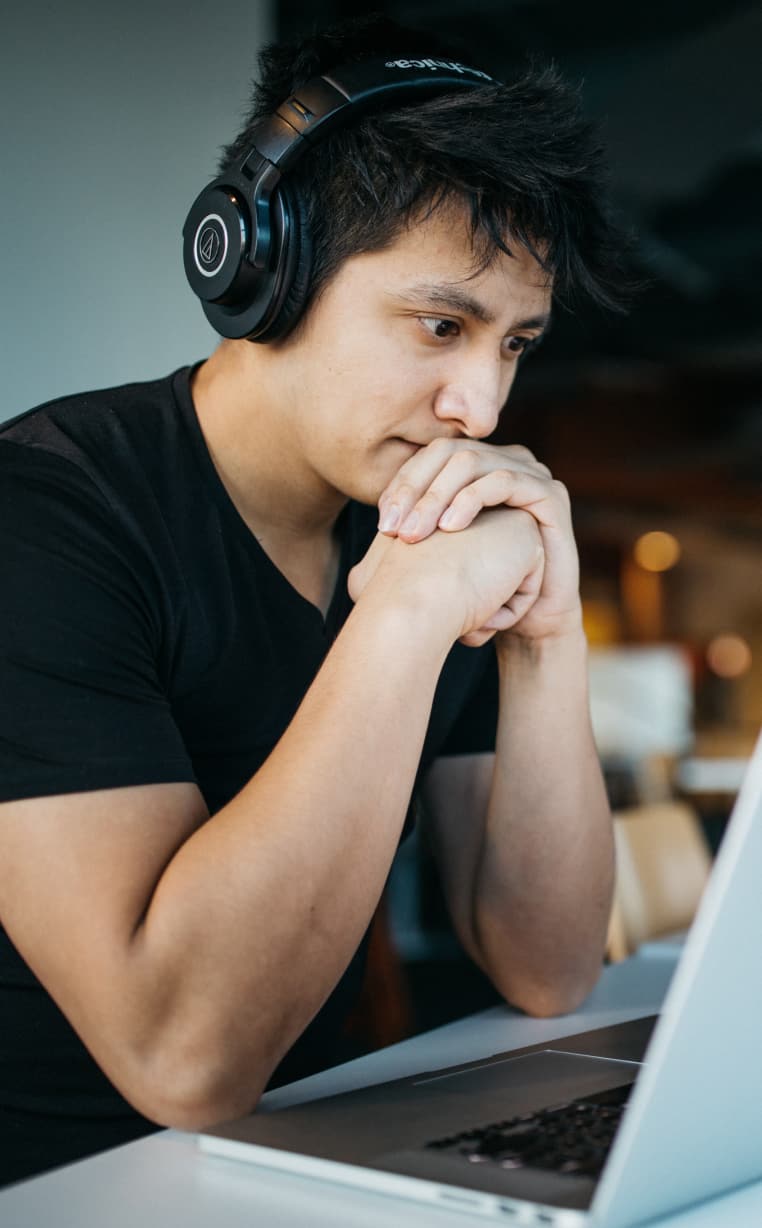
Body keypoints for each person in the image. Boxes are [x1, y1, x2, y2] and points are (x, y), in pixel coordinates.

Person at [0, 16, 623, 1187]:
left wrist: (547, 636)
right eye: (442, 325)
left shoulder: (422, 518)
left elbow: (550, 967)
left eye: (516, 345)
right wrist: (397, 617)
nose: (481, 407)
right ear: (261, 271)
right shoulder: (43, 522)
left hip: (314, 1164)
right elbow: (179, 1059)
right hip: (61, 1189)